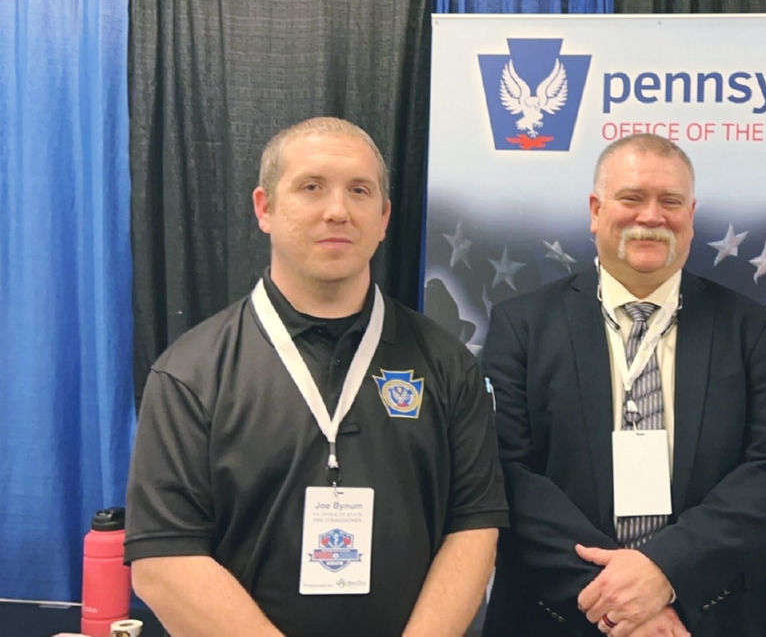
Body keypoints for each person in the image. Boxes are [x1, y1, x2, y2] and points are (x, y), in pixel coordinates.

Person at [124, 117, 508, 637]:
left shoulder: (447, 363)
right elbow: (163, 563)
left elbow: (475, 528)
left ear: (384, 216)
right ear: (265, 208)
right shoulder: (190, 373)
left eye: (359, 191)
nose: (337, 211)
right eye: (311, 187)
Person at [480, 133, 766, 636]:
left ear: (691, 215)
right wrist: (617, 599)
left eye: (670, 202)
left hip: (714, 615)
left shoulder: (750, 329)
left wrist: (664, 573)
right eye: (632, 198)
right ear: (595, 209)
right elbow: (506, 475)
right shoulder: (521, 325)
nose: (651, 217)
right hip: (556, 615)